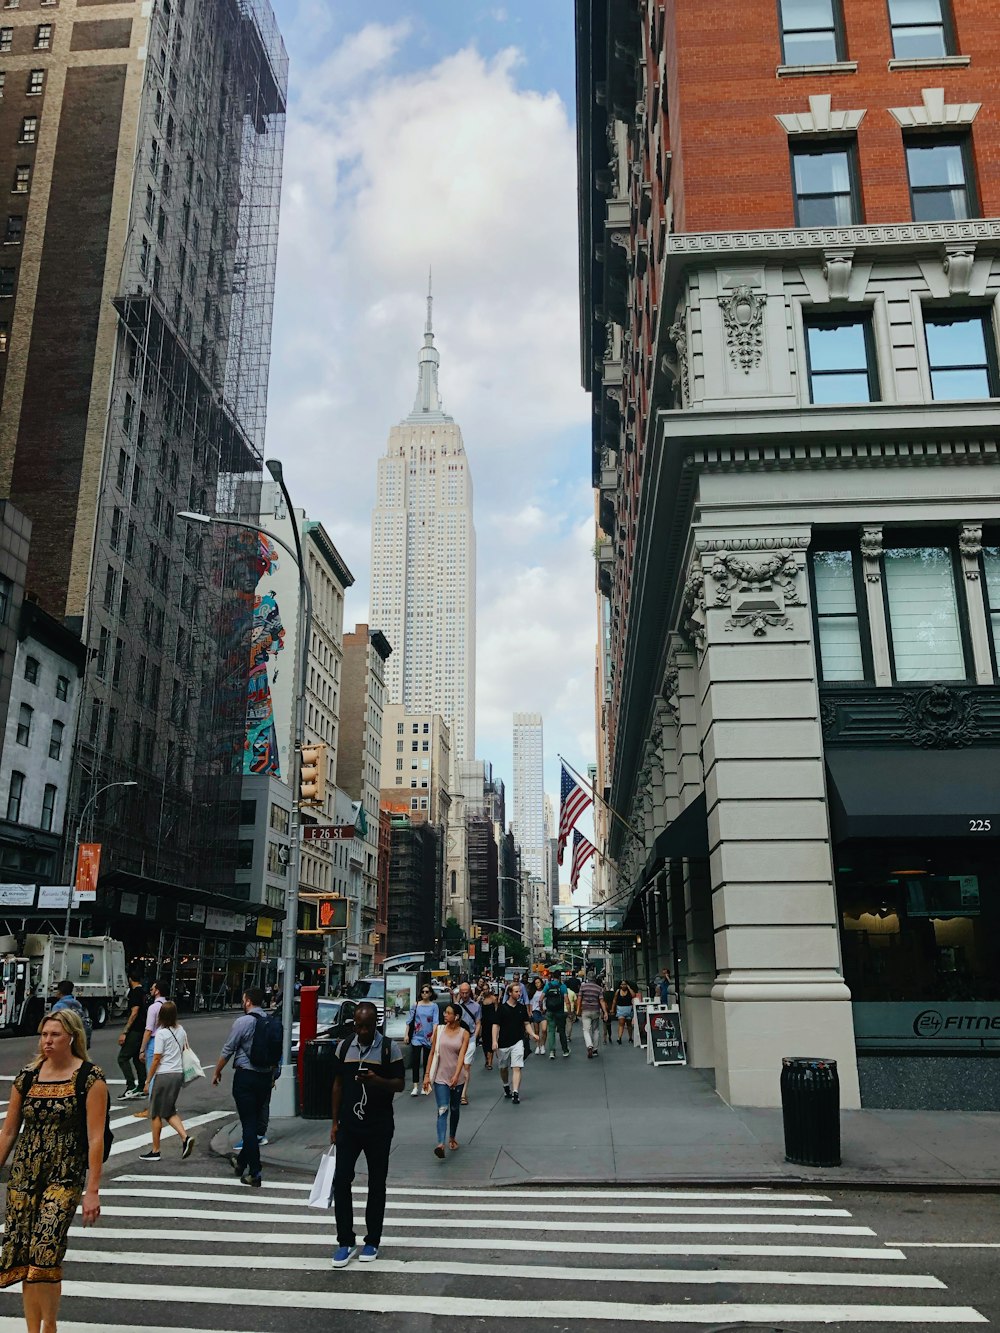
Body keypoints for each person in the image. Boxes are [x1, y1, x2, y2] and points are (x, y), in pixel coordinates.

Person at [0, 1009, 108, 1333]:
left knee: (45, 1249)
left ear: (72, 1037)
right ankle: (36, 1328)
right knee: (23, 1255)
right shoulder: (27, 1077)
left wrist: (92, 1191)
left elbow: (95, 1137)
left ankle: (49, 1324)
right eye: (44, 1035)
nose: (47, 1041)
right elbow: (8, 1131)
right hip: (24, 1177)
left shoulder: (90, 1079)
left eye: (55, 1035)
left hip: (64, 1176)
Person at [330, 1001, 405, 1268]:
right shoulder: (343, 1047)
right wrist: (334, 1123)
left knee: (376, 1183)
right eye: (358, 1026)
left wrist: (376, 1080)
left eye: (367, 1026)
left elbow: (400, 1084)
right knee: (341, 1181)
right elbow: (337, 1085)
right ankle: (345, 1241)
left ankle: (372, 1239)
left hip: (379, 1126)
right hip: (349, 1126)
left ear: (376, 1025)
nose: (362, 1031)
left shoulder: (388, 1048)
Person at [212, 986, 276, 1188]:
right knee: (255, 1122)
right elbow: (276, 1053)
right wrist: (273, 1076)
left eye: (243, 999)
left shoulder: (243, 1022)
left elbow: (228, 1048)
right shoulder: (271, 1022)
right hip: (265, 1077)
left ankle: (255, 1172)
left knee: (248, 1124)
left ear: (248, 1001)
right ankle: (240, 1163)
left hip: (246, 1077)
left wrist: (217, 1071)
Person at [140, 1001, 195, 1162]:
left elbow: (157, 1058)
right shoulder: (181, 1030)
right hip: (177, 1074)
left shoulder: (162, 1034)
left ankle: (156, 1150)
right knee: (168, 1110)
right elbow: (185, 1049)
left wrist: (148, 1080)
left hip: (164, 1075)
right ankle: (185, 1138)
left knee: (156, 1112)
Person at [423, 1003, 469, 1158]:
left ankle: (452, 1137)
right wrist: (427, 1074)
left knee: (454, 1108)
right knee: (443, 1108)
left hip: (457, 1076)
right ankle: (440, 1144)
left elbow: (461, 1056)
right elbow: (432, 1053)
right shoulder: (439, 1030)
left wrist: (456, 1075)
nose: (445, 1015)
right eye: (445, 1012)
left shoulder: (464, 1034)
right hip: (440, 1077)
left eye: (448, 1013)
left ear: (456, 1016)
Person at [492, 982, 534, 1104]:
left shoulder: (521, 1008)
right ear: (510, 993)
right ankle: (506, 1085)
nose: (519, 993)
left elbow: (526, 1023)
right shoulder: (501, 1008)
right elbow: (496, 1025)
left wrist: (532, 1034)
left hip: (518, 1041)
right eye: (516, 991)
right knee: (503, 1068)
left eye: (520, 991)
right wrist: (494, 1041)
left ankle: (515, 1092)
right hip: (503, 1043)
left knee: (517, 1067)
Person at [404, 984, 439, 1097]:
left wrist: (434, 1034)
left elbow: (435, 1022)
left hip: (428, 1036)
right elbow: (409, 1021)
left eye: (427, 991)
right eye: (423, 991)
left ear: (430, 993)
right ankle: (415, 1086)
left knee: (426, 1062)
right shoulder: (416, 1005)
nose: (424, 993)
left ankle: (425, 1084)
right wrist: (406, 1035)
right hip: (416, 1036)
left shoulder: (434, 1006)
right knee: (415, 1060)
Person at [117, 970, 146, 1100]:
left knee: (122, 1058)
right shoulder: (144, 992)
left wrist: (125, 1031)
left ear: (130, 979)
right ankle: (141, 1086)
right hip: (143, 1029)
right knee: (136, 1058)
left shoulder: (135, 992)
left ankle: (130, 1085)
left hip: (135, 1030)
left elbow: (134, 1012)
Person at [454, 981, 481, 1106]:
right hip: (456, 1040)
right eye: (462, 992)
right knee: (455, 1066)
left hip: (470, 1038)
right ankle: (456, 1088)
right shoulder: (455, 1006)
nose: (464, 995)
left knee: (466, 1066)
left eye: (466, 992)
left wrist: (475, 1037)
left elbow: (478, 1022)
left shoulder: (476, 1006)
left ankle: (463, 1093)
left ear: (470, 992)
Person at [50, 980, 92, 1047]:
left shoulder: (58, 1006)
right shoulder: (77, 1004)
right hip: (78, 1038)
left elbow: (54, 1026)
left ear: (60, 992)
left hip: (65, 1041)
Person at [577, 972, 608, 1059]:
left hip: (585, 1010)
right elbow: (602, 1001)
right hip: (595, 1011)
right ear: (595, 978)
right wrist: (605, 1012)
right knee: (596, 1030)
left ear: (587, 978)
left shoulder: (583, 987)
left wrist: (578, 1010)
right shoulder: (599, 988)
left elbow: (579, 999)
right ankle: (595, 1049)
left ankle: (589, 1045)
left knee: (586, 1030)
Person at [543, 971, 570, 1059]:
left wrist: (542, 1008)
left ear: (553, 976)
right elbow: (566, 1000)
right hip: (560, 1012)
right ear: (560, 977)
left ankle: (552, 1051)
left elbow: (540, 998)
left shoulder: (548, 985)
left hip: (550, 1011)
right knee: (562, 1031)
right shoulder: (562, 986)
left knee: (551, 1031)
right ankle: (565, 1050)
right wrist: (569, 1012)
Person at [478, 979, 499, 1071]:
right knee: (485, 1042)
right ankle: (486, 1058)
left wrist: (498, 1022)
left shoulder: (493, 998)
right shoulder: (482, 1000)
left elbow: (497, 1010)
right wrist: (480, 997)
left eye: (487, 989)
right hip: (484, 1023)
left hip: (492, 1023)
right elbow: (476, 1008)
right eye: (484, 989)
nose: (485, 991)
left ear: (489, 989)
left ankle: (490, 1061)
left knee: (491, 1041)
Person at [528, 976, 547, 1055]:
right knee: (536, 1031)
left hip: (543, 1012)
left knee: (544, 1030)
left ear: (541, 983)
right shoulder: (533, 992)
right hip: (535, 1011)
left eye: (538, 982)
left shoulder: (545, 991)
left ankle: (543, 1045)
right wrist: (530, 1011)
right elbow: (531, 1003)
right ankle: (537, 1046)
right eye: (535, 983)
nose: (537, 984)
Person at [613, 979, 636, 1044]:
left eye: (625, 984)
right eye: (622, 984)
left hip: (629, 1009)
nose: (623, 986)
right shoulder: (618, 991)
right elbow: (614, 1000)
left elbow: (633, 995)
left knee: (629, 1024)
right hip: (620, 1009)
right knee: (621, 1023)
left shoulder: (629, 991)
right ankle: (619, 1038)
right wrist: (612, 1008)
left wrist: (629, 988)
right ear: (620, 985)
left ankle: (630, 1038)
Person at [564, 970, 582, 1045]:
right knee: (575, 1003)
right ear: (576, 975)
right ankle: (575, 1015)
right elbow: (579, 987)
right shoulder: (577, 980)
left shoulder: (568, 981)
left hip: (567, 995)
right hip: (575, 993)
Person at [602, 978, 616, 1045]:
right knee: (609, 1025)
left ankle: (605, 1039)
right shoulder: (613, 993)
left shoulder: (603, 994)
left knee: (605, 1025)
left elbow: (602, 1002)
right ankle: (609, 1036)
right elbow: (614, 1001)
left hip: (605, 1010)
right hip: (610, 1010)